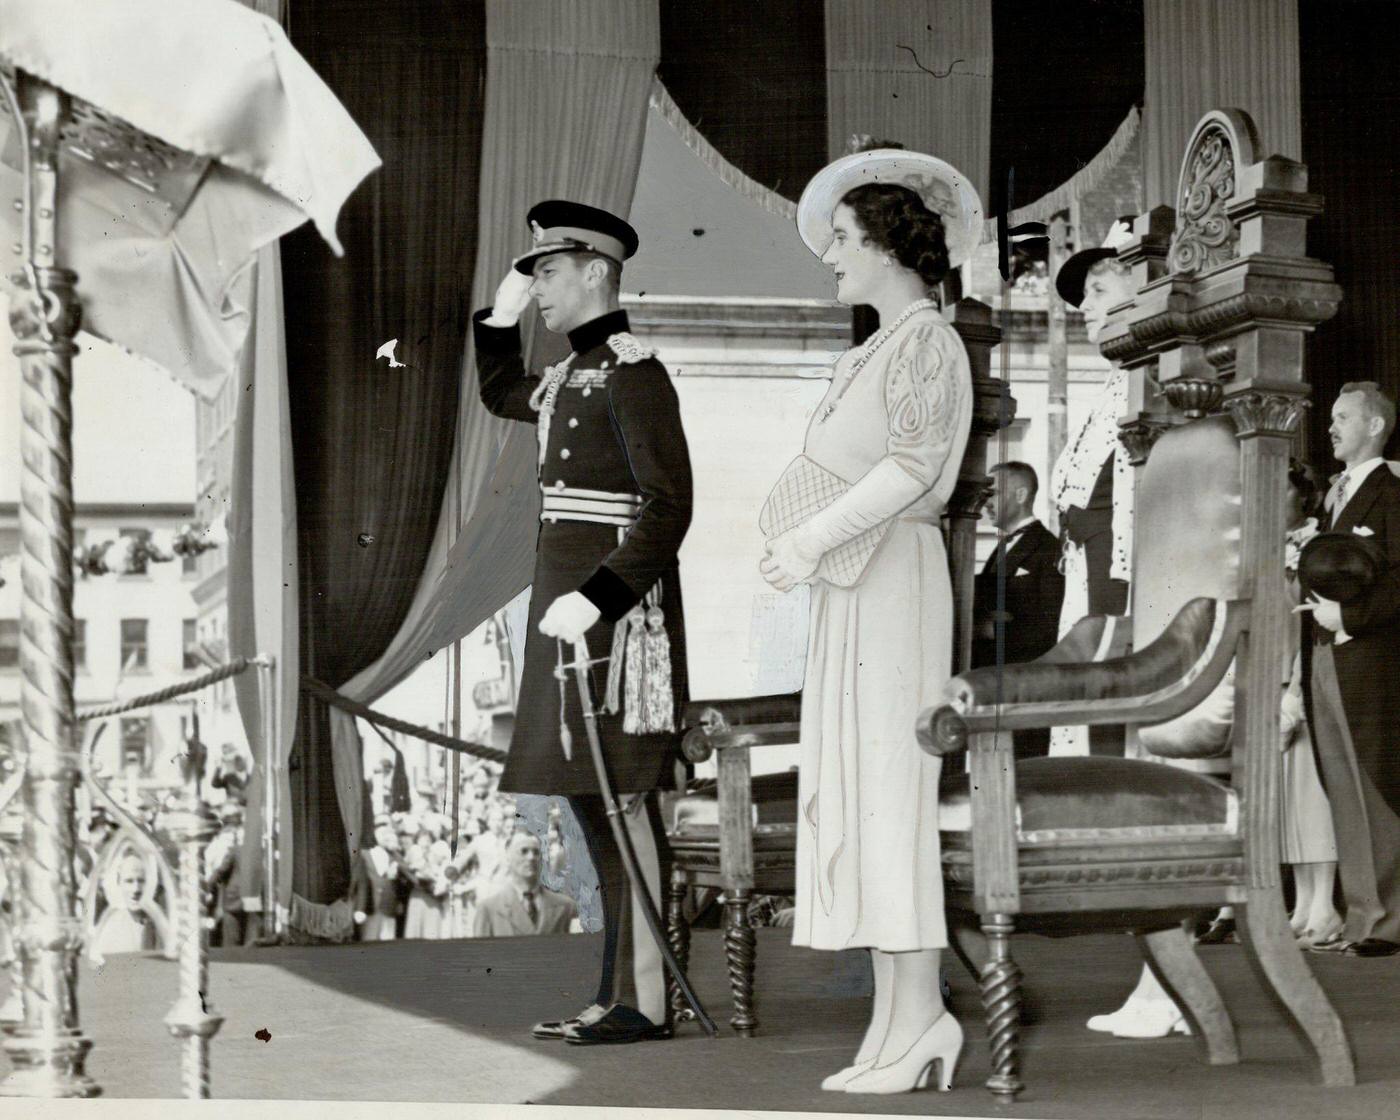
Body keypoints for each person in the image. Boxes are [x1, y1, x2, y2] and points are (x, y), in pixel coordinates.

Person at [759, 145, 978, 1095]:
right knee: (858, 791)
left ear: (891, 246)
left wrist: (807, 541)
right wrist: (800, 545)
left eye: (844, 239)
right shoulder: (875, 348)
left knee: (892, 792)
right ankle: (896, 1022)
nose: (831, 255)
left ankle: (924, 1013)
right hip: (858, 582)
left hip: (895, 578)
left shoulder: (930, 340)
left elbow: (911, 469)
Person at [473, 199, 692, 1045]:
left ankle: (648, 999)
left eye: (550, 273)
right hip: (565, 609)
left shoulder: (636, 373)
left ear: (598, 270)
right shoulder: (568, 378)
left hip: (612, 616)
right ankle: (618, 995)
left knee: (625, 801)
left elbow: (669, 506)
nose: (540, 289)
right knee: (591, 807)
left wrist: (597, 597)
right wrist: (500, 316)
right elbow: (499, 391)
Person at [1303, 381, 1400, 957]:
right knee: (1342, 789)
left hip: (1366, 657)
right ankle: (1362, 917)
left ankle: (1388, 923)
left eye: (1343, 418)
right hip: (1320, 652)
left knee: (1375, 787)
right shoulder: (1331, 495)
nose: (1332, 427)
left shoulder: (1392, 494)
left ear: (1375, 427)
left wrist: (1352, 617)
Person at [1048, 216, 1139, 758]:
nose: (1085, 307)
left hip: (1120, 574)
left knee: (1106, 690)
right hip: (1086, 570)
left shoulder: (1147, 379)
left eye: (1099, 290)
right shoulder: (1113, 383)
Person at [1280, 461, 1343, 947]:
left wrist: (1298, 691)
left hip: (1305, 676)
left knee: (1314, 797)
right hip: (1274, 679)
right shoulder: (1266, 548)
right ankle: (1303, 904)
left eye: (1281, 491)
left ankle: (1326, 905)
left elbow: (1313, 624)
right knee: (1289, 803)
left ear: (1302, 497)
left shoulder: (1315, 545)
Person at [971, 461, 1064, 759]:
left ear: (1021, 495)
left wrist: (989, 628)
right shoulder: (1001, 549)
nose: (986, 502)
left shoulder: (1048, 548)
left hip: (1022, 692)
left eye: (994, 493)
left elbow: (1049, 625)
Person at [473, 830, 578, 937]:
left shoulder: (567, 907)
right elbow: (481, 952)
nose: (531, 857)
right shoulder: (488, 909)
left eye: (536, 852)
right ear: (507, 858)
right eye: (524, 851)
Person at [353, 821, 401, 942]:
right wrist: (360, 908)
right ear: (374, 834)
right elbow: (361, 882)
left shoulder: (394, 856)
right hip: (370, 907)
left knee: (388, 946)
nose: (385, 836)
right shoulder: (363, 854)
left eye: (388, 833)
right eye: (382, 833)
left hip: (388, 907)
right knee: (368, 943)